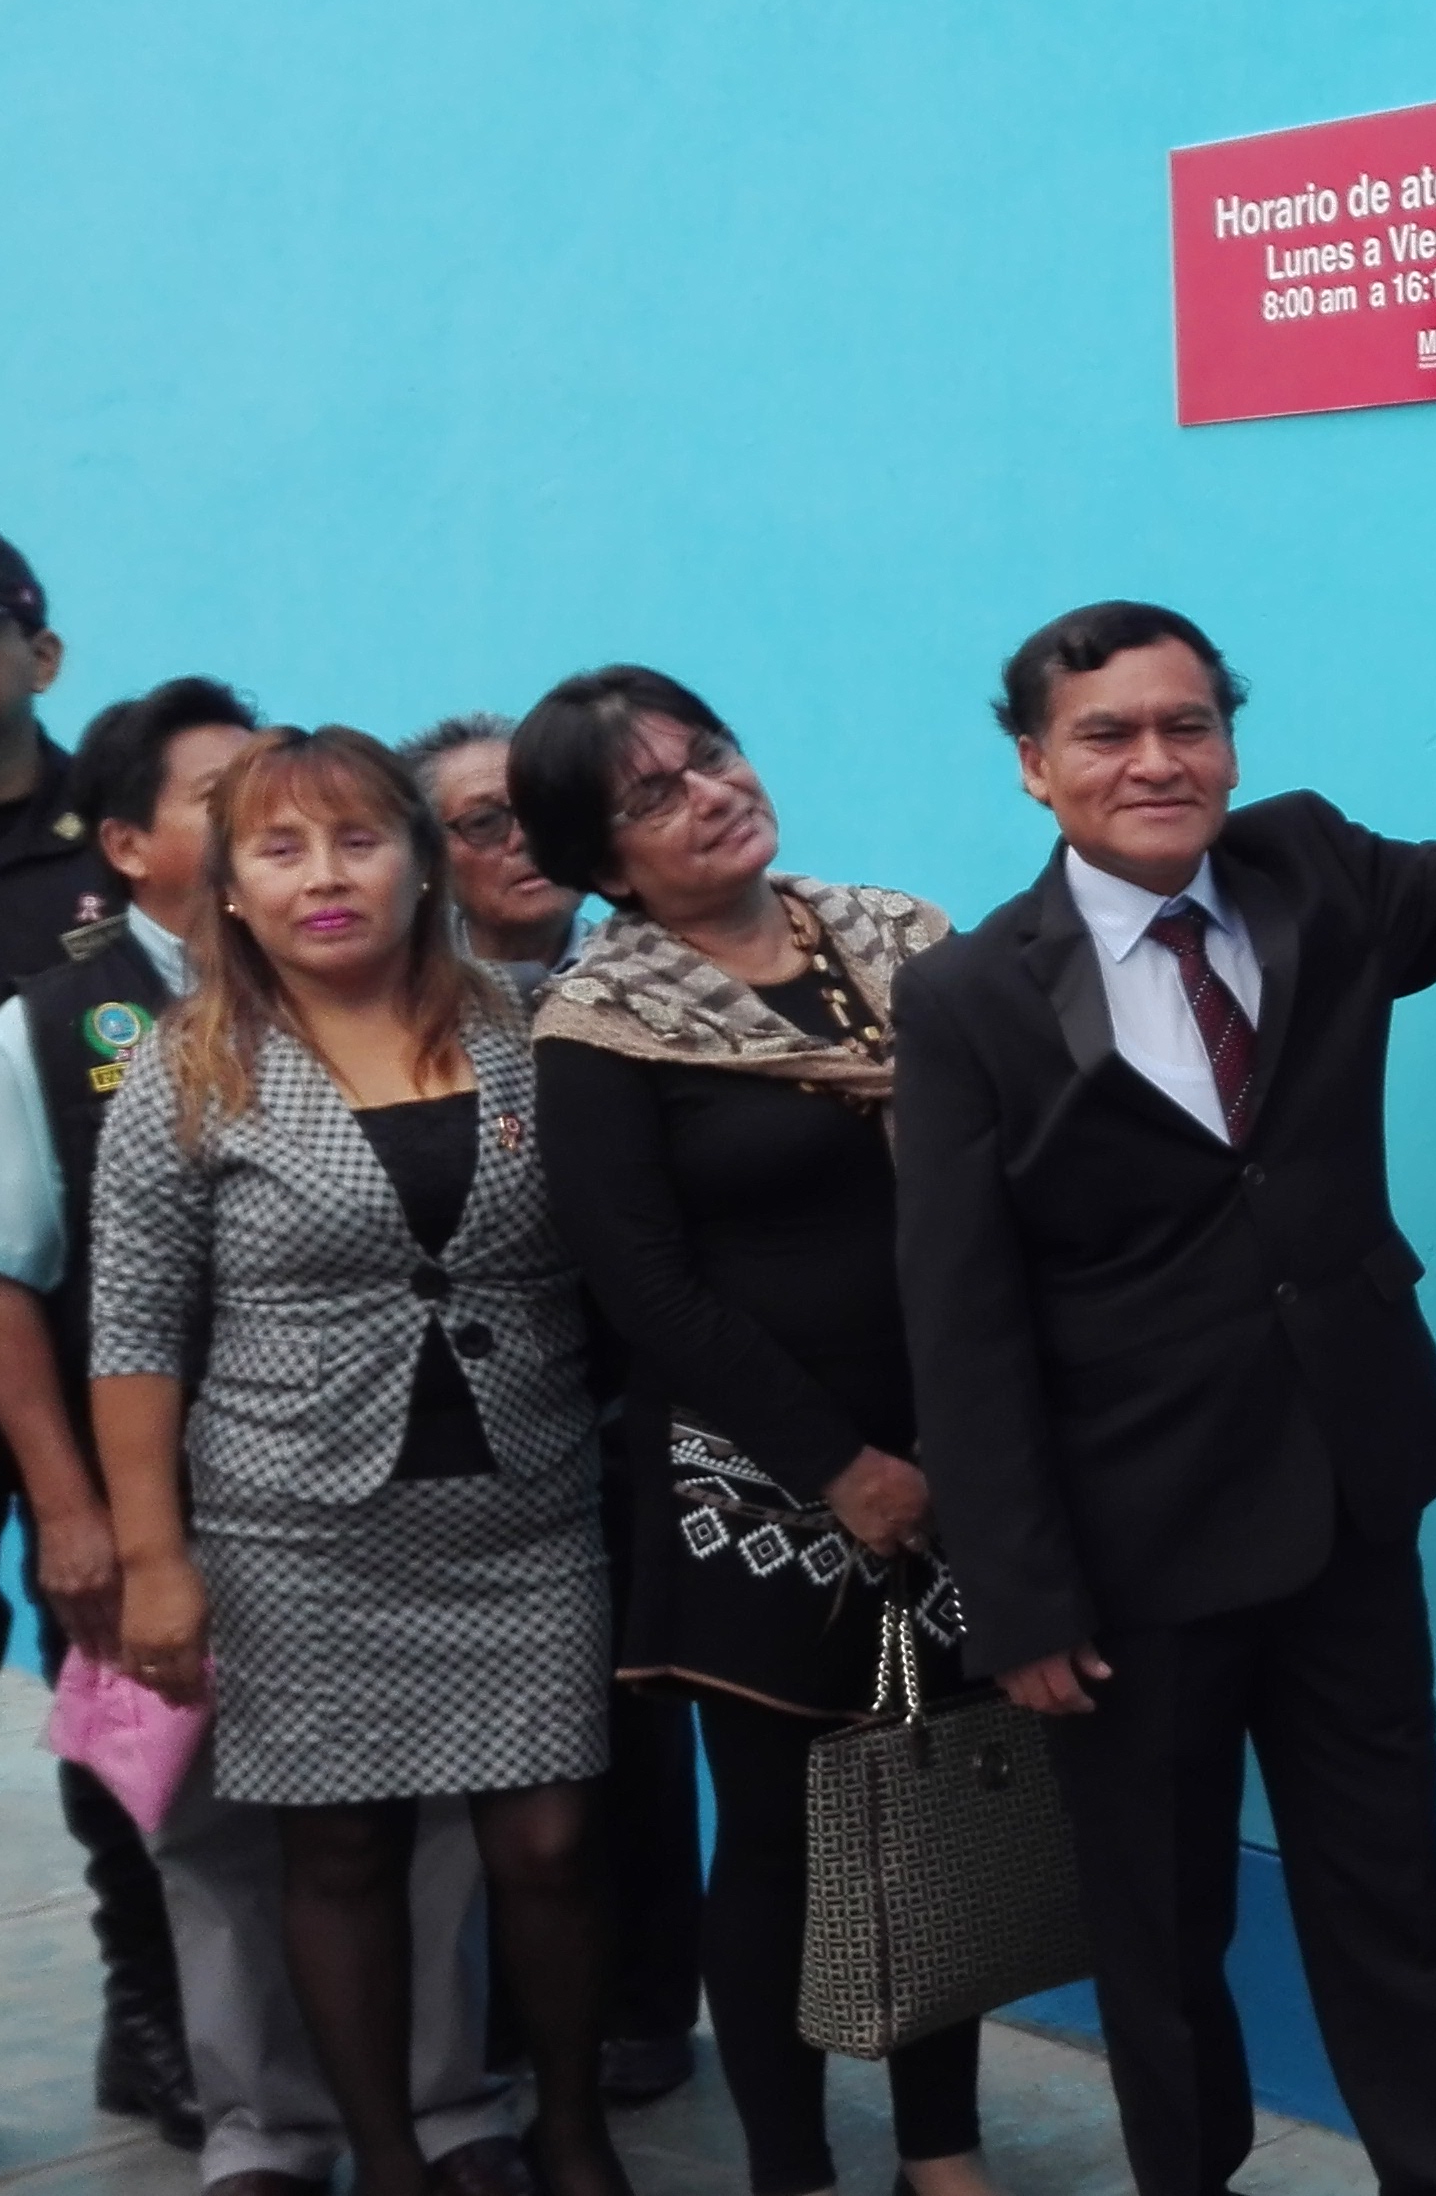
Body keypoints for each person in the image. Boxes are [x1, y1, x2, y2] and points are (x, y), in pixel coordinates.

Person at [899, 594, 1436, 2196]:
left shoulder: (1308, 868)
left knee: (1390, 1894)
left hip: (1347, 1494)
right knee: (1160, 1925)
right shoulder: (969, 998)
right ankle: (1189, 2176)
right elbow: (961, 1317)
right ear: (1035, 768)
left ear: (1229, 742)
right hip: (1127, 1550)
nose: (1156, 760)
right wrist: (1013, 1597)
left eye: (1189, 725)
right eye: (1107, 734)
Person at [0, 682, 526, 2196]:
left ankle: (445, 2106)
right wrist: (87, 1520)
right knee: (215, 1832)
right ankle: (264, 2127)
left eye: (339, 828)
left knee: (433, 1822)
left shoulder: (436, 1011)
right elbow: (4, 1283)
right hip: (175, 1502)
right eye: (237, 816)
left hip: (411, 1496)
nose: (301, 855)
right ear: (135, 847)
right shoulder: (59, 1028)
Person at [85, 728, 630, 2196]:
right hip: (295, 1530)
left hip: (525, 1511)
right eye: (281, 848)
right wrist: (154, 1560)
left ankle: (568, 2131)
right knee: (338, 1856)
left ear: (422, 859)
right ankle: (388, 2159)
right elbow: (132, 1329)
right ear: (238, 893)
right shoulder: (185, 1073)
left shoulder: (539, 1024)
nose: (325, 876)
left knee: (553, 1842)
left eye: (357, 840)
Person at [516, 668, 990, 2196]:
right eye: (653, 795)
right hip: (756, 1486)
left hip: (960, 1452)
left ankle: (942, 2147)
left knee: (934, 1806)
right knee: (783, 1840)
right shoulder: (600, 1022)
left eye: (708, 755)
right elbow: (640, 1282)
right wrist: (842, 1469)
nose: (709, 792)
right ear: (602, 865)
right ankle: (792, 2165)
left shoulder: (908, 940)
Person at [0, 516, 174, 2182]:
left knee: (138, 1699)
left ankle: (159, 2010)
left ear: (43, 654)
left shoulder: (143, 835)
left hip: (129, 1352)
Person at [397, 712, 692, 2111]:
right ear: (425, 857)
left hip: (658, 1409)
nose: (520, 844)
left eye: (535, 812)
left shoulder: (666, 964)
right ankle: (492, 2018)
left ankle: (647, 2004)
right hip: (479, 1425)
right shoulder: (400, 1006)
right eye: (478, 822)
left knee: (635, 1726)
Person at [397, 718, 585, 998]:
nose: (525, 838)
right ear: (426, 858)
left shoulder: (646, 969)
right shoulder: (391, 989)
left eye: (543, 808)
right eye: (484, 822)